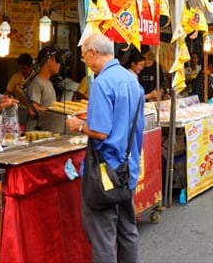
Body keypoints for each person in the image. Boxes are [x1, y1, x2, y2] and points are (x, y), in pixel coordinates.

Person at [66, 33, 144, 263]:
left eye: (84, 58)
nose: (85, 63)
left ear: (93, 53)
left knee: (102, 237)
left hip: (105, 172)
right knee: (127, 231)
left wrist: (79, 126)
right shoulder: (132, 80)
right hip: (128, 168)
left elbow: (100, 132)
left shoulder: (102, 82)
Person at [26, 46, 61, 114]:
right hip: (39, 124)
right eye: (57, 61)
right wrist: (51, 110)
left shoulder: (48, 82)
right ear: (49, 62)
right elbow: (32, 110)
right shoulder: (36, 82)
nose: (59, 65)